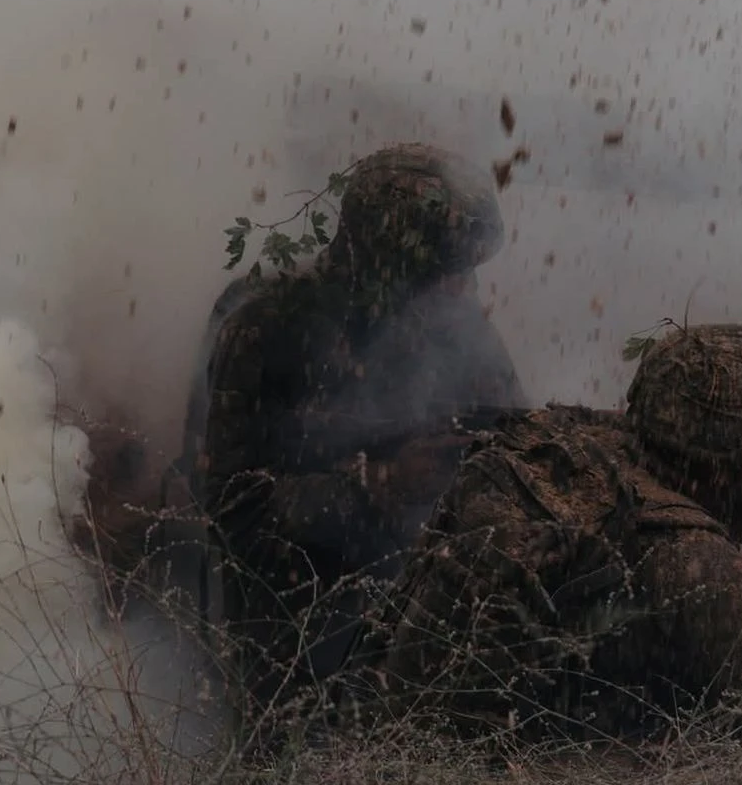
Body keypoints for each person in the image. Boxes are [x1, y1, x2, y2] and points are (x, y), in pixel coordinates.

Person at [373, 323, 742, 743]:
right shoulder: (692, 560)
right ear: (739, 460)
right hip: (503, 783)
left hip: (389, 718)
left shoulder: (556, 446)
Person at [192, 143, 528, 721]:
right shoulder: (266, 328)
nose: (463, 288)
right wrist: (382, 483)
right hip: (292, 640)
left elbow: (523, 444)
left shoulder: (459, 332)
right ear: (388, 259)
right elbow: (233, 508)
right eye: (444, 270)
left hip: (419, 632)